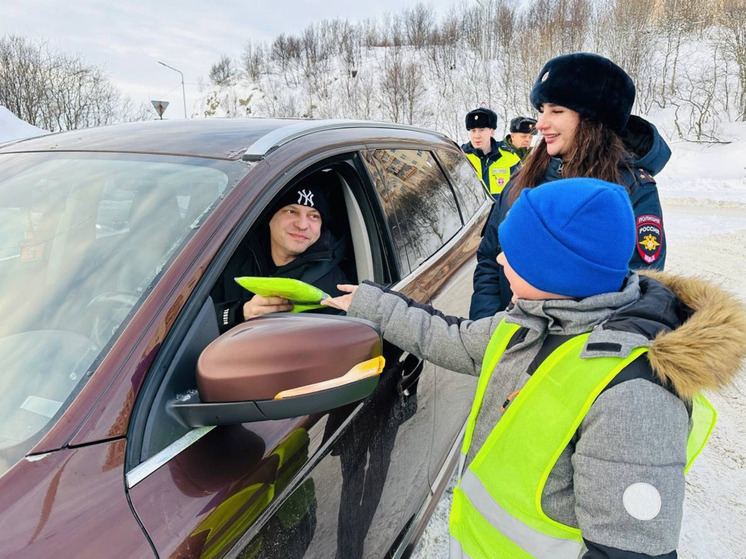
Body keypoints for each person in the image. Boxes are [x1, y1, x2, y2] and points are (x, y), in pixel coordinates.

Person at [322, 177, 746, 559]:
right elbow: (448, 338)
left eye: (517, 254)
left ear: (558, 271)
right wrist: (372, 305)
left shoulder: (633, 393)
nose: (500, 261)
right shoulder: (532, 320)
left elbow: (631, 550)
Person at [469, 52, 671, 320]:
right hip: (508, 337)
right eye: (542, 110)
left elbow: (636, 290)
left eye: (557, 111)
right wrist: (488, 328)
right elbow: (489, 257)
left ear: (594, 120)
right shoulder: (524, 177)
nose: (540, 124)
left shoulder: (632, 188)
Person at [211, 176, 350, 333]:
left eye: (313, 216)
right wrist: (240, 313)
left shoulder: (334, 286)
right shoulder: (230, 257)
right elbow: (191, 323)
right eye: (291, 211)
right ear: (270, 217)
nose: (302, 225)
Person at [461, 106, 521, 199]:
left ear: (492, 132)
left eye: (482, 130)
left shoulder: (510, 158)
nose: (477, 136)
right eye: (473, 131)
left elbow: (520, 192)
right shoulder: (461, 157)